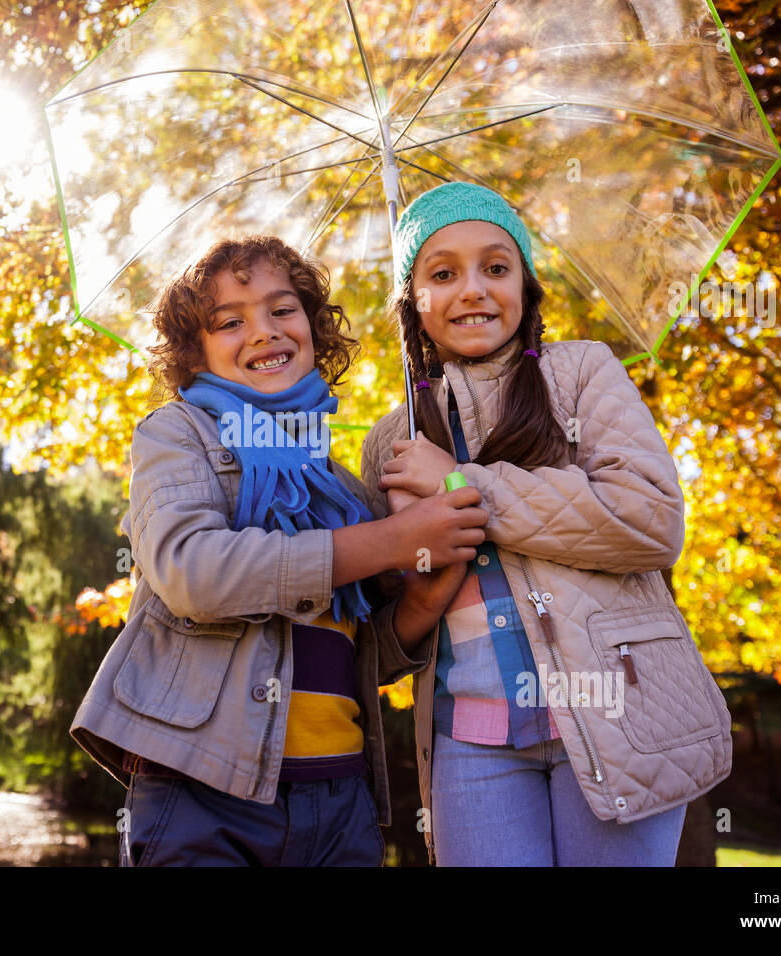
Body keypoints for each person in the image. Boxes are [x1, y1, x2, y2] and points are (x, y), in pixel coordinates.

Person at [71, 235, 485, 866]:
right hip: (205, 789)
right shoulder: (178, 435)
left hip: (340, 797)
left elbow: (360, 658)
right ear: (194, 353)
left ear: (316, 329)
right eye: (230, 322)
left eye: (283, 310)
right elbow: (195, 574)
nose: (263, 331)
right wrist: (388, 540)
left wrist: (426, 589)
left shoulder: (343, 488)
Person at [360, 182, 733, 866]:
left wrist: (463, 486)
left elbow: (649, 522)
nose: (472, 289)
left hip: (618, 718)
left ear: (526, 288)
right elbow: (382, 642)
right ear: (413, 301)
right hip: (470, 739)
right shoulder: (394, 443)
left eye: (495, 268)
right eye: (442, 273)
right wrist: (418, 573)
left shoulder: (581, 374)